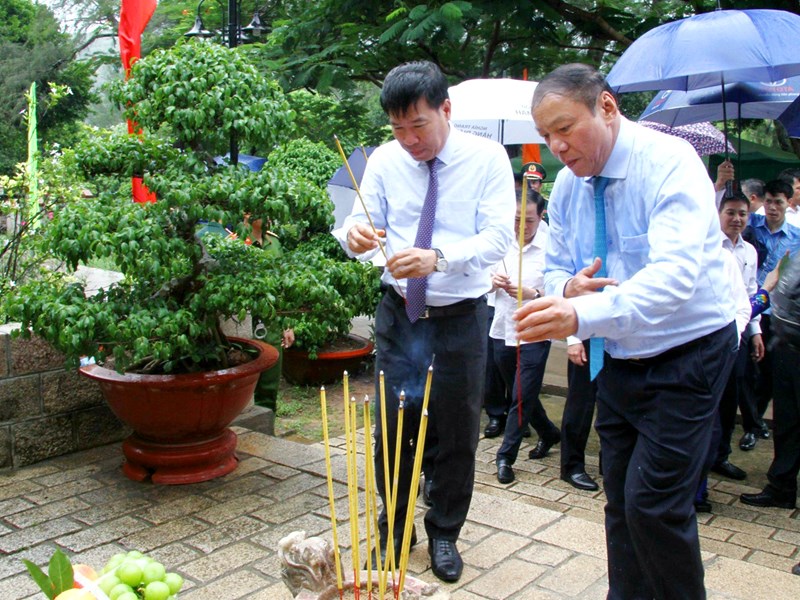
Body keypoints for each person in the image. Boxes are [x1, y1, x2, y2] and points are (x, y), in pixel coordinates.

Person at [516, 63, 738, 599]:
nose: (557, 147)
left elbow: (674, 280)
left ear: (607, 108)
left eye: (566, 128)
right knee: (620, 498)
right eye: (547, 136)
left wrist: (580, 317)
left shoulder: (669, 163)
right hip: (616, 357)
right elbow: (556, 265)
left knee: (654, 504)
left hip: (689, 350)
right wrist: (568, 287)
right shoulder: (568, 186)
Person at [334, 60, 515, 583]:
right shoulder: (385, 161)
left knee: (457, 429)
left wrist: (437, 257)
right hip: (401, 314)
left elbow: (497, 239)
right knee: (394, 426)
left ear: (446, 110)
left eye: (419, 125)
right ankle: (394, 529)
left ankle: (444, 532)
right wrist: (358, 237)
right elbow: (357, 222)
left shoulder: (487, 160)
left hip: (460, 316)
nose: (409, 139)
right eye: (397, 128)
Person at [491, 191, 556, 484]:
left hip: (536, 330)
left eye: (528, 220)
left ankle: (505, 456)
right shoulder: (499, 239)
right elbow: (479, 279)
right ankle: (549, 432)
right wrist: (492, 282)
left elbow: (562, 290)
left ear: (541, 217)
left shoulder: (552, 245)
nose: (522, 226)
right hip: (502, 326)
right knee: (521, 392)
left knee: (521, 394)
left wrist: (534, 294)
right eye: (517, 219)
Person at [743, 179, 800, 438]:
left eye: (778, 202)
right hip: (746, 306)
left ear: (789, 203)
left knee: (768, 372)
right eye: (768, 201)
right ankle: (751, 424)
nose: (772, 207)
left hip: (775, 313)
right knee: (744, 370)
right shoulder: (750, 225)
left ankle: (756, 421)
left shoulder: (797, 239)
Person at [713, 193, 763, 468]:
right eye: (730, 212)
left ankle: (721, 455)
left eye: (742, 213)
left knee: (732, 394)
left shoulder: (749, 252)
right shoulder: (709, 248)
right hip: (712, 332)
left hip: (739, 330)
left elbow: (751, 292)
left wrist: (754, 332)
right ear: (719, 214)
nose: (737, 219)